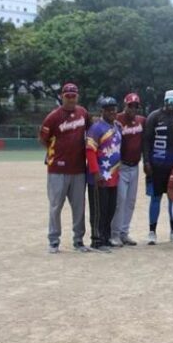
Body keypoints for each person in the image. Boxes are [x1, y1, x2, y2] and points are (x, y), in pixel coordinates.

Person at [39, 82, 92, 254]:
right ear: (62, 96)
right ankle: (54, 241)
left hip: (78, 169)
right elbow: (43, 139)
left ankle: (78, 240)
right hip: (57, 170)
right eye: (67, 96)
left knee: (79, 207)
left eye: (73, 96)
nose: (70, 99)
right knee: (55, 206)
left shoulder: (83, 113)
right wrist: (53, 154)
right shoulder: (53, 117)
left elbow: (91, 132)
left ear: (77, 96)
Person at [143, 89, 173, 245]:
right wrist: (146, 161)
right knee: (155, 199)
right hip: (156, 165)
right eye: (168, 101)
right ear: (164, 101)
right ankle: (152, 232)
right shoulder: (154, 117)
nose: (171, 105)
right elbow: (146, 141)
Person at [86, 97, 122, 252]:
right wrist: (95, 172)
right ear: (102, 111)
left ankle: (106, 238)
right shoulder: (96, 128)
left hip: (113, 175)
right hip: (99, 176)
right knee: (98, 210)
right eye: (108, 109)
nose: (112, 112)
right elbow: (90, 151)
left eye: (114, 109)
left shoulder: (117, 126)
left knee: (110, 209)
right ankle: (97, 240)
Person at [110, 93, 145, 247]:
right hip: (121, 166)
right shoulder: (117, 120)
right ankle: (115, 234)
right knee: (120, 200)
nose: (133, 108)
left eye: (135, 106)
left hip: (135, 166)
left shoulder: (141, 121)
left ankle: (124, 233)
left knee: (130, 201)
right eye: (130, 105)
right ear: (125, 105)